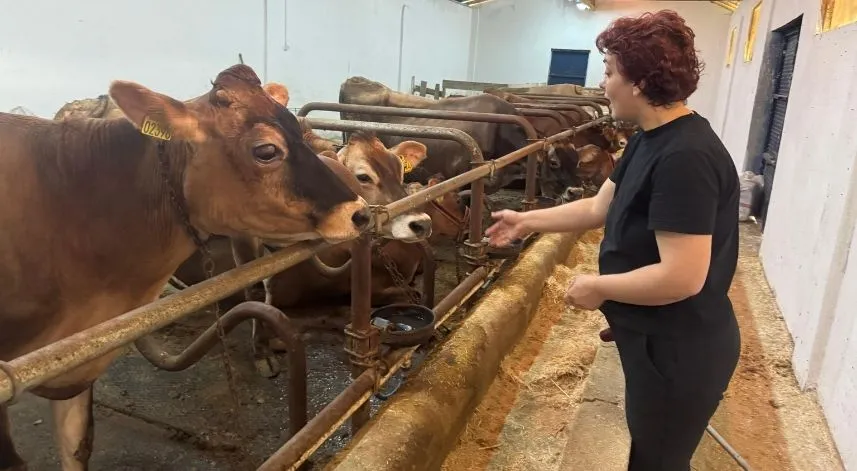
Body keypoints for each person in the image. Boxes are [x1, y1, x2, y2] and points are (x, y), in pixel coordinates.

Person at [485, 10, 741, 471]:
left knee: (657, 460)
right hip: (654, 335)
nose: (602, 85)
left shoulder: (685, 157)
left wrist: (600, 287)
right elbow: (595, 208)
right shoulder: (650, 139)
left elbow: (682, 277)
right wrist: (527, 220)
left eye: (608, 72)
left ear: (639, 81)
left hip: (680, 348)